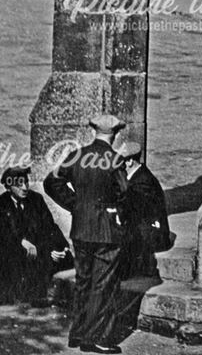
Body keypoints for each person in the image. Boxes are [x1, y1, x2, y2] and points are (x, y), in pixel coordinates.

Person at [44, 114, 127, 354]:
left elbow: (52, 182)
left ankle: (77, 334)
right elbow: (124, 193)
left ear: (94, 131)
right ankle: (98, 338)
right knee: (104, 285)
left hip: (80, 229)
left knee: (83, 282)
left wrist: (75, 204)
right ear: (115, 134)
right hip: (106, 231)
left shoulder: (76, 155)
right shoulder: (114, 159)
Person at [0, 165, 73, 306]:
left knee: (63, 257)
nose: (24, 187)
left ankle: (48, 290)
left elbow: (50, 226)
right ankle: (10, 289)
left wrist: (60, 248)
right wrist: (21, 241)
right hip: (12, 251)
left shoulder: (36, 200)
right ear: (8, 188)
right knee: (3, 250)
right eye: (19, 184)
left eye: (26, 182)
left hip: (36, 249)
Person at [116, 141, 171, 279]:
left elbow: (131, 210)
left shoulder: (142, 181)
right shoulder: (137, 176)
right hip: (145, 228)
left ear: (129, 162)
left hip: (153, 236)